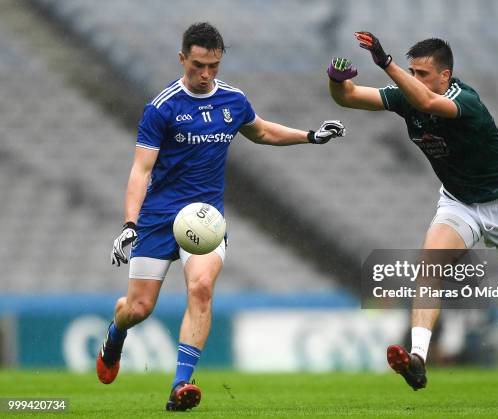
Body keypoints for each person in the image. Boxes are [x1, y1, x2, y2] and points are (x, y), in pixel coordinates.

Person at [97, 22, 345, 411]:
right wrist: (129, 225)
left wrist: (311, 135)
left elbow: (261, 132)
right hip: (159, 218)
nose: (206, 74)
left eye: (213, 65)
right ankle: (116, 333)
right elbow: (140, 171)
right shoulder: (162, 108)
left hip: (206, 219)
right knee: (138, 309)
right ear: (182, 58)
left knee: (200, 289)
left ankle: (181, 385)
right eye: (198, 65)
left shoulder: (232, 101)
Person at [327, 32, 498, 390]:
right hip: (460, 203)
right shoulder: (410, 96)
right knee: (429, 263)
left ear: (445, 76)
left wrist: (386, 62)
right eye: (412, 72)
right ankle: (419, 359)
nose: (415, 79)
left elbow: (424, 101)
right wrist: (336, 77)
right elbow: (347, 98)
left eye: (422, 73)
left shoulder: (464, 100)